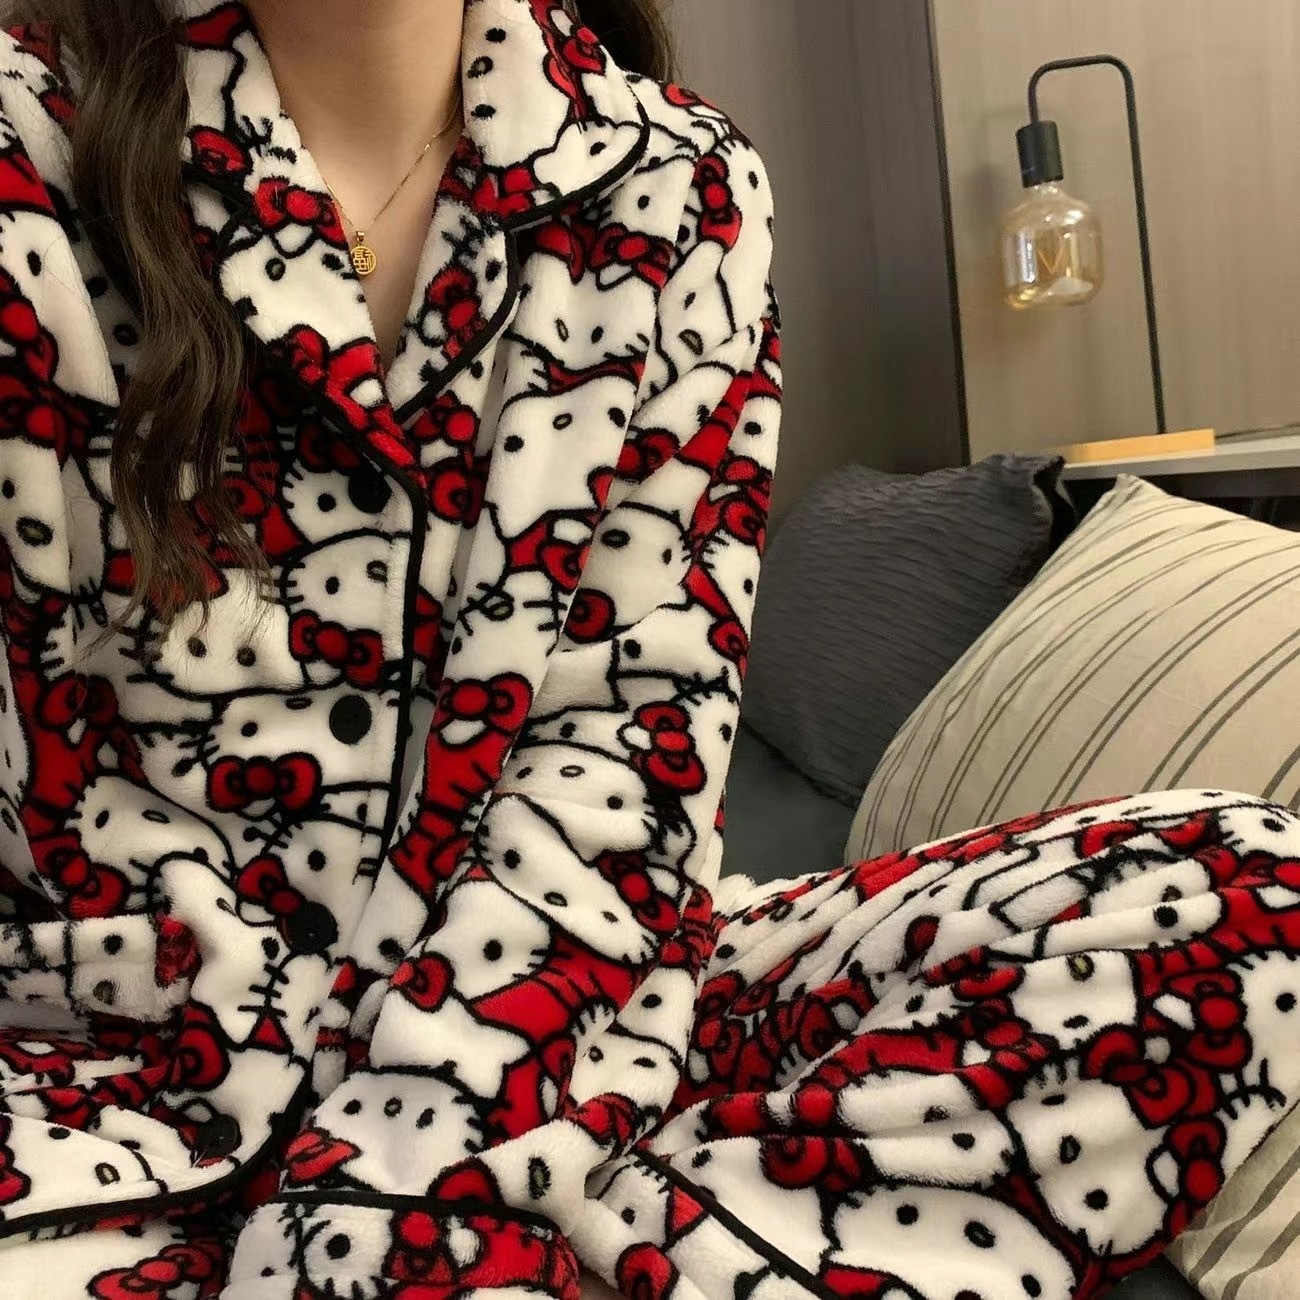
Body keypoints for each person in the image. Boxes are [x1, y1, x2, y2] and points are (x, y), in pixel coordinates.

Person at [0, 1, 1295, 1297]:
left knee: (1244, 892)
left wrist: (412, 1191)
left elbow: (630, 750)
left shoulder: (677, 182)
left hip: (574, 998)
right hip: (109, 1063)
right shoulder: (28, 151)